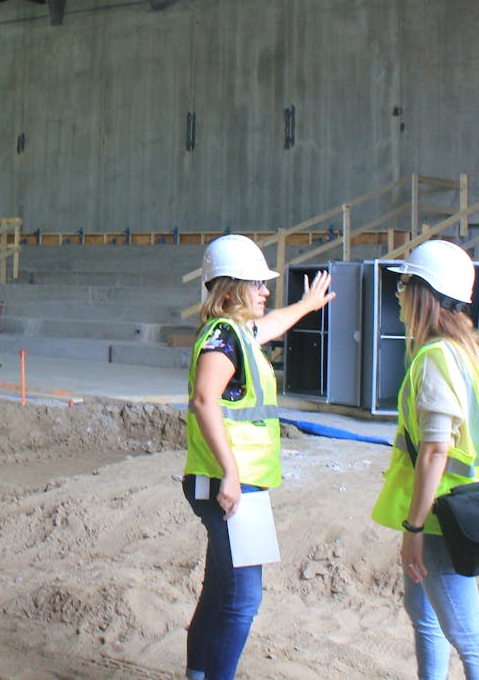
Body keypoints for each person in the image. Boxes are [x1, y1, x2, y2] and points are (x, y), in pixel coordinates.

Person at [182, 233, 333, 680]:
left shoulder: (239, 333)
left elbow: (272, 325)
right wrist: (230, 473)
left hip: (235, 483)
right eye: (258, 283)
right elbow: (205, 400)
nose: (268, 290)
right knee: (242, 599)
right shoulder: (223, 338)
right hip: (230, 486)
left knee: (219, 592)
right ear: (231, 288)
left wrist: (306, 306)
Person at [371, 240, 479, 680]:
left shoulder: (435, 358)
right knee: (424, 611)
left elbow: (435, 449)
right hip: (468, 511)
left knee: (468, 637)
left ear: (423, 295)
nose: (399, 295)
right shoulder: (466, 353)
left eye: (405, 286)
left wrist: (414, 529)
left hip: (441, 520)